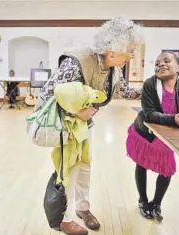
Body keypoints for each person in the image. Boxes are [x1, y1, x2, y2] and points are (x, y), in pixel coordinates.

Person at [35, 17, 143, 235]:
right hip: (65, 123)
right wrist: (74, 111)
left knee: (85, 165)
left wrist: (149, 91)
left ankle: (83, 208)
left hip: (85, 124)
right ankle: (63, 219)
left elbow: (124, 91)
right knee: (68, 170)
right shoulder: (77, 62)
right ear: (113, 50)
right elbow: (46, 94)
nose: (132, 55)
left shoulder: (113, 68)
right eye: (130, 50)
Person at [126, 52, 179, 222]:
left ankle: (156, 203)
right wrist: (174, 119)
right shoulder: (150, 84)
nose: (161, 65)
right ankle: (143, 201)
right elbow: (150, 114)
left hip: (169, 137)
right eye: (157, 63)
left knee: (167, 170)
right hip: (146, 134)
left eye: (166, 61)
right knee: (141, 165)